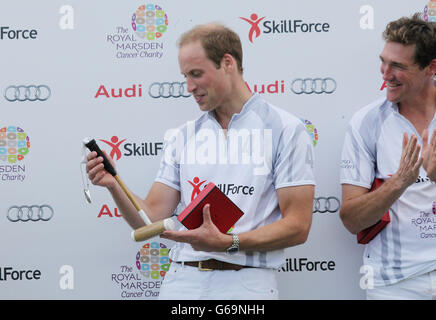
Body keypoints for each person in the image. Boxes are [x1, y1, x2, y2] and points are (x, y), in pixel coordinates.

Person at [86, 23, 315, 300]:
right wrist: (114, 185)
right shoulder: (183, 136)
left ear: (227, 63)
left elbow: (298, 226)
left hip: (246, 285)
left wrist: (229, 243)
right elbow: (149, 221)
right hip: (182, 282)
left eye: (196, 74)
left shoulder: (285, 129)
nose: (189, 87)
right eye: (185, 76)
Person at [339, 13, 436, 299]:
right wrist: (398, 183)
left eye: (397, 66)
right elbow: (351, 220)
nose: (385, 73)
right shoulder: (366, 122)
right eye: (383, 61)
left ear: (431, 67)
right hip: (394, 284)